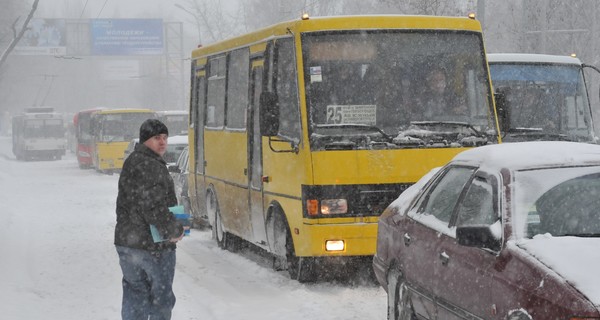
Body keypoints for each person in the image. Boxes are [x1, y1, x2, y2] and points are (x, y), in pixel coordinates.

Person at [114, 118, 185, 320]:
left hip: (128, 243)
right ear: (145, 140)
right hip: (152, 247)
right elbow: (152, 206)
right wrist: (173, 230)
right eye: (156, 138)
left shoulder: (134, 160)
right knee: (161, 299)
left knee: (135, 295)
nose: (162, 142)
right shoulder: (150, 165)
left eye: (164, 137)